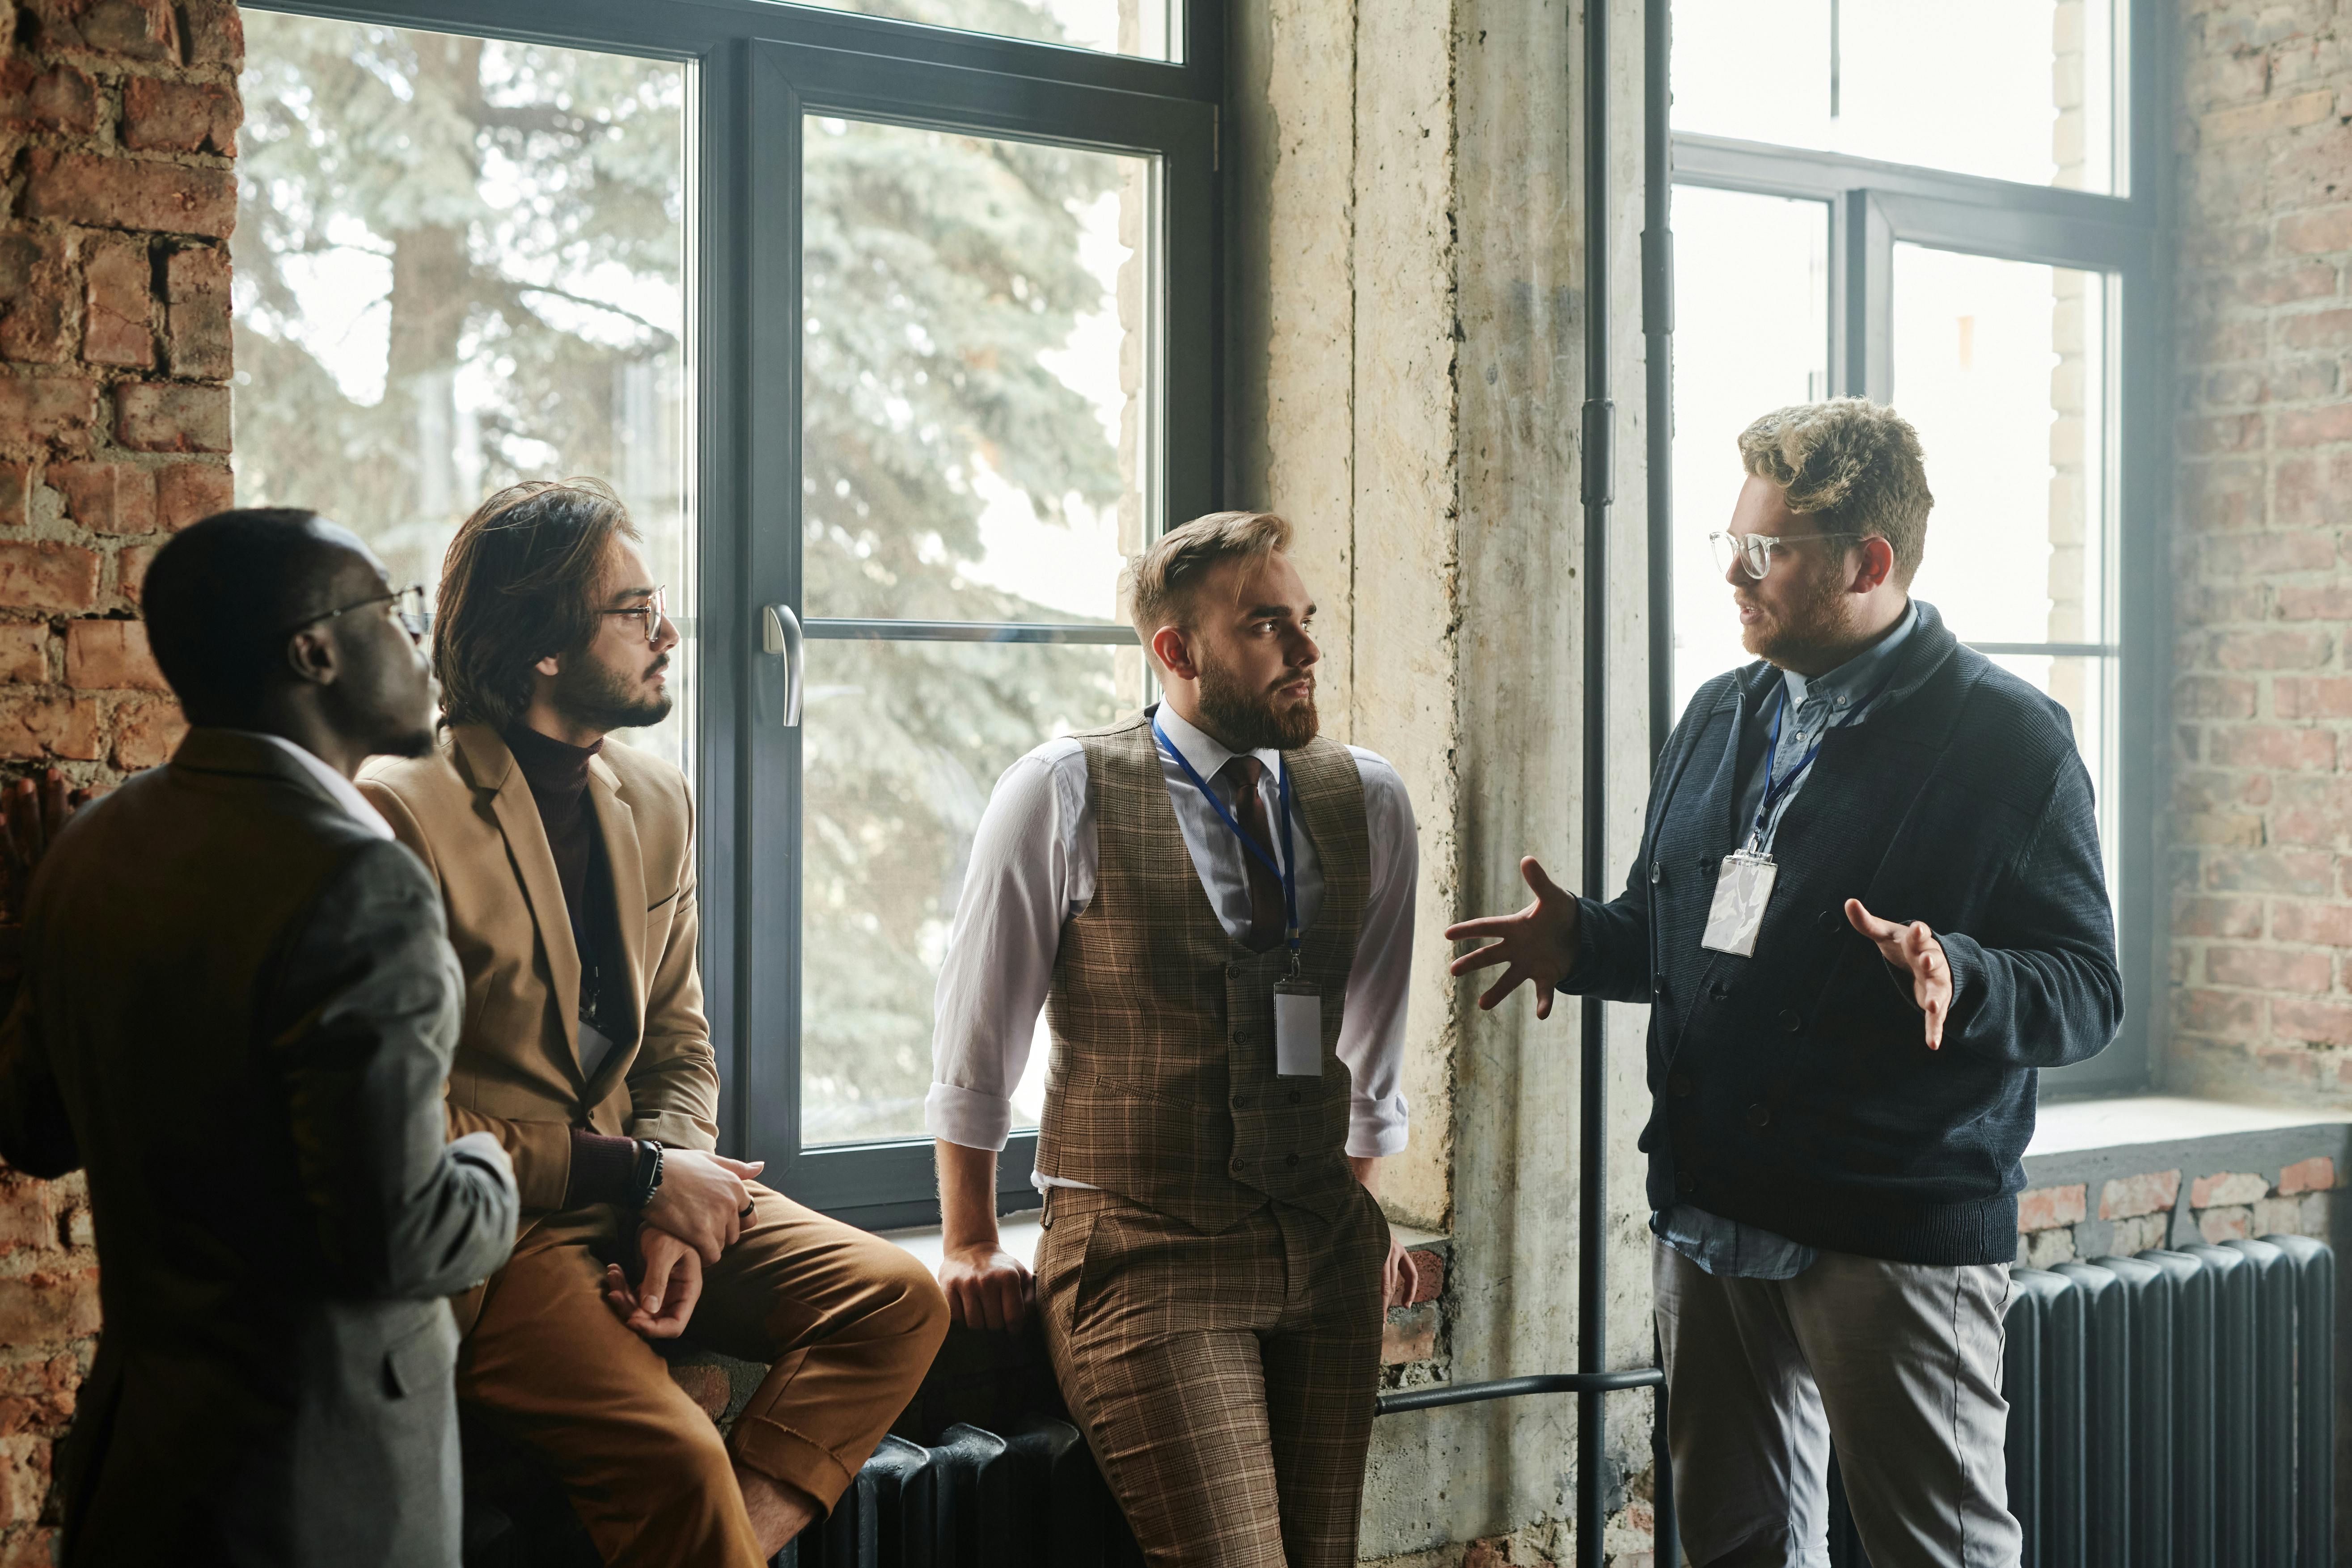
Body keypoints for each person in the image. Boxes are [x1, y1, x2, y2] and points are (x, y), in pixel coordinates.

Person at [1448, 399, 2121, 1568]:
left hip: (1886, 1225)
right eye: (1731, 539)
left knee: (1938, 1553)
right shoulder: (1721, 712)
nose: (1731, 571)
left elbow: (2085, 988)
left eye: (1764, 550)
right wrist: (1588, 944)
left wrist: (1958, 972)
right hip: (1710, 1204)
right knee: (1736, 1548)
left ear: (1866, 562)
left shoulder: (2011, 740)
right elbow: (1696, 936)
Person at [359, 479, 948, 1567]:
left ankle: (731, 1544)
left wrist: (675, 1198)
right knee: (677, 1459)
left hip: (646, 1183)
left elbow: (677, 1036)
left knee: (899, 1299)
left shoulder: (654, 795)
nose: (668, 632)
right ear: (540, 644)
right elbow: (412, 1126)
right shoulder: (402, 809)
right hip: (503, 1233)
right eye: (634, 611)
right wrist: (637, 1174)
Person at [0, 508, 521, 1568]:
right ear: (314, 650)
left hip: (142, 1462)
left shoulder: (94, 842)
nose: (419, 640)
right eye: (395, 611)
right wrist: (493, 1164)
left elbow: (35, 1126)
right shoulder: (360, 881)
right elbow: (402, 1237)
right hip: (320, 1489)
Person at [928, 510, 1422, 1568]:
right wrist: (968, 1235)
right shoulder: (1062, 790)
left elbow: (1371, 1044)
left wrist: (1360, 1209)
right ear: (1176, 651)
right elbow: (978, 1037)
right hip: (1142, 1247)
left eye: (1306, 620)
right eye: (1265, 626)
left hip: (1321, 1250)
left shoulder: (1367, 797)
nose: (1305, 649)